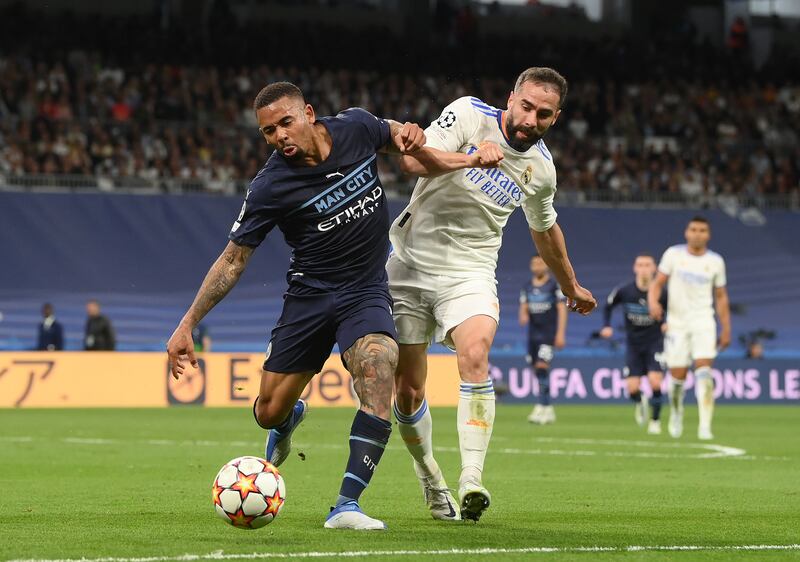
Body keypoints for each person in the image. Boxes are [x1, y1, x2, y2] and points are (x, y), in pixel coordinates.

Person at [166, 81, 501, 530]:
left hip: (364, 289)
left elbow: (406, 142)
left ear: (307, 112)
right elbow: (233, 260)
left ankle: (346, 505)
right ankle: (287, 421)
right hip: (310, 296)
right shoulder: (270, 186)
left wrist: (430, 141)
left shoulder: (356, 128)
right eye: (268, 132)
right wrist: (188, 323)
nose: (280, 136)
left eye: (286, 122)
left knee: (380, 367)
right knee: (268, 410)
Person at [388, 67, 597, 522]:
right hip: (408, 266)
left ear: (555, 118)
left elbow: (544, 230)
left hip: (471, 272)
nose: (530, 120)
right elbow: (410, 161)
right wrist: (470, 159)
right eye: (526, 107)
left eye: (543, 114)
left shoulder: (540, 169)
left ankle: (471, 479)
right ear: (511, 99)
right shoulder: (467, 114)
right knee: (407, 391)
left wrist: (571, 285)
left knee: (477, 351)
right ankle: (431, 477)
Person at [648, 217, 730, 440]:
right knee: (677, 378)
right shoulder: (674, 255)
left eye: (702, 230)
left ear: (708, 235)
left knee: (704, 372)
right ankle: (676, 412)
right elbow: (657, 283)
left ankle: (705, 426)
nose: (697, 234)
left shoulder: (715, 261)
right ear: (686, 232)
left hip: (704, 321)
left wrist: (726, 328)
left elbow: (721, 297)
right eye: (693, 229)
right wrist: (653, 302)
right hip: (677, 324)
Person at [600, 254, 667, 435]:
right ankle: (640, 401)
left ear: (654, 269)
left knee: (655, 381)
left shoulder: (662, 292)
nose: (644, 268)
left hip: (655, 343)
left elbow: (673, 310)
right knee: (632, 389)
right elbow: (607, 306)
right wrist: (606, 326)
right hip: (633, 344)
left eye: (648, 265)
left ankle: (655, 421)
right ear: (635, 268)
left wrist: (668, 323)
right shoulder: (625, 291)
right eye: (640, 265)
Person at [518, 255, 567, 425]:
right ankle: (547, 407)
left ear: (546, 265)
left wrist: (560, 334)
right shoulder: (527, 287)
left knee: (542, 367)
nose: (537, 266)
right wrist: (523, 315)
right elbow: (523, 308)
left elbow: (562, 309)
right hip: (532, 336)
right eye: (534, 263)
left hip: (548, 334)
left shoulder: (554, 286)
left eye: (540, 262)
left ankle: (542, 406)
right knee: (537, 371)